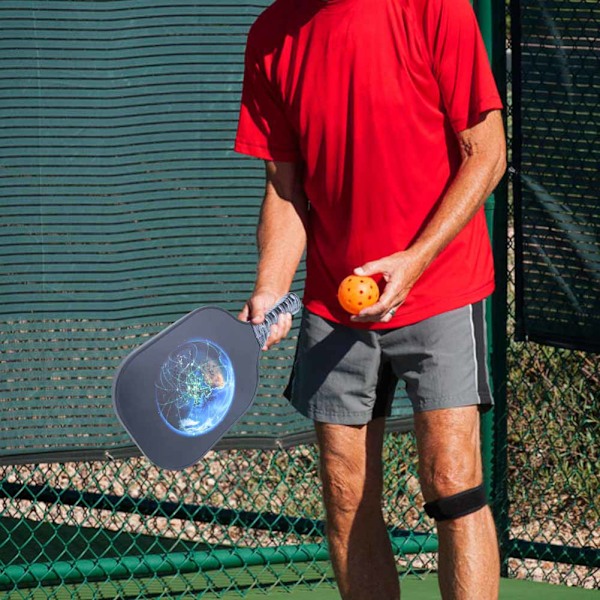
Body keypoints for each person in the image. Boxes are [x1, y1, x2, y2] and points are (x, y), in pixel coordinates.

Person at [234, 0, 506, 597]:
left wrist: (415, 260)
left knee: (452, 479)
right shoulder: (273, 35)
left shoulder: (435, 8)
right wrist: (270, 288)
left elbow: (486, 154)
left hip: (440, 281)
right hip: (336, 306)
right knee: (345, 491)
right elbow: (285, 190)